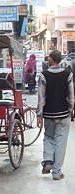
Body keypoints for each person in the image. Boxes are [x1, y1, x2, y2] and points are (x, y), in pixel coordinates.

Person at [37, 50, 74, 180]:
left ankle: (48, 161)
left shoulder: (43, 75)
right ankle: (57, 172)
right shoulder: (68, 74)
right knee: (60, 142)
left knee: (48, 137)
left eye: (49, 59)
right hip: (64, 114)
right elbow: (71, 96)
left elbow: (41, 98)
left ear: (52, 60)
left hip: (49, 114)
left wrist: (39, 115)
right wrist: (70, 110)